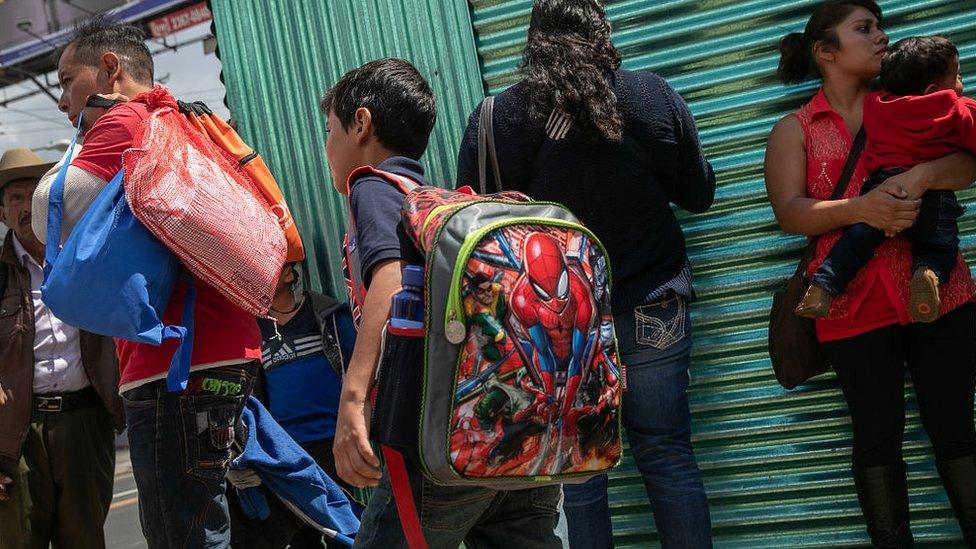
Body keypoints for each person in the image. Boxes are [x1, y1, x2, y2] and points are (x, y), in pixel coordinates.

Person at [455, 1, 716, 546]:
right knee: (666, 451)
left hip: (555, 323)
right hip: (653, 302)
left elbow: (476, 218)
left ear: (533, 39)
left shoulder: (498, 119)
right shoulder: (648, 96)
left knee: (577, 469)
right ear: (603, 30)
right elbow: (700, 192)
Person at [323, 57, 562, 547]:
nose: (327, 147)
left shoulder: (371, 185)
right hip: (519, 432)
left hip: (439, 442)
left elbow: (388, 282)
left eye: (331, 131)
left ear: (362, 124)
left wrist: (353, 398)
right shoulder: (439, 202)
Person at [43, 18, 262, 548]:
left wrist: (73, 149)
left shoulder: (121, 126)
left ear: (109, 69)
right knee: (208, 522)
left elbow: (51, 207)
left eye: (67, 80)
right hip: (228, 352)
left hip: (172, 369)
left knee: (179, 533)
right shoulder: (185, 122)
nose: (61, 100)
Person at [764, 2, 976, 546]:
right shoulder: (797, 128)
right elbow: (790, 212)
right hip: (848, 305)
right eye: (864, 28)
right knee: (876, 438)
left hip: (938, 291)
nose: (881, 37)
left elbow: (968, 166)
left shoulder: (910, 102)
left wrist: (925, 174)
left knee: (955, 430)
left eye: (880, 26)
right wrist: (863, 209)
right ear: (825, 51)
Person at [796, 35, 976, 323]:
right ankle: (927, 274)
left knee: (856, 241)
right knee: (938, 246)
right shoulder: (956, 109)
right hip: (932, 199)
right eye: (957, 76)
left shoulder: (875, 105)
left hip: (883, 189)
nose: (961, 83)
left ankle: (823, 287)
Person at [0, 147, 124, 548]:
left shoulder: (86, 256)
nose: (23, 207)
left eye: (31, 194)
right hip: (17, 431)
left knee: (85, 539)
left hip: (85, 422)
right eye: (13, 199)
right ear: (1, 213)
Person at [227, 262, 360, 548]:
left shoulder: (328, 317)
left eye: (268, 269)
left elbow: (359, 369)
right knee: (300, 535)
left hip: (332, 443)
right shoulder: (255, 329)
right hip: (285, 450)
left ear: (289, 274)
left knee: (343, 530)